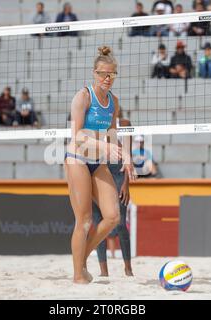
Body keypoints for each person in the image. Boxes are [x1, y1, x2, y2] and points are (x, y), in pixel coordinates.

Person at [64, 46, 136, 284]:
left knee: (114, 217)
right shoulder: (83, 96)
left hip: (98, 161)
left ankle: (82, 257)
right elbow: (77, 136)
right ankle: (78, 275)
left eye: (111, 74)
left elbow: (112, 133)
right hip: (78, 159)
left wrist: (126, 158)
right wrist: (105, 147)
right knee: (84, 220)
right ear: (94, 73)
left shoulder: (113, 101)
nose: (107, 78)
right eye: (103, 74)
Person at [92, 108, 134, 277]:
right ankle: (104, 271)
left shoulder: (124, 124)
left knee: (121, 224)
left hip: (118, 174)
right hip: (97, 174)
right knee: (98, 224)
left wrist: (126, 184)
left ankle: (128, 268)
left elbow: (128, 156)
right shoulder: (94, 125)